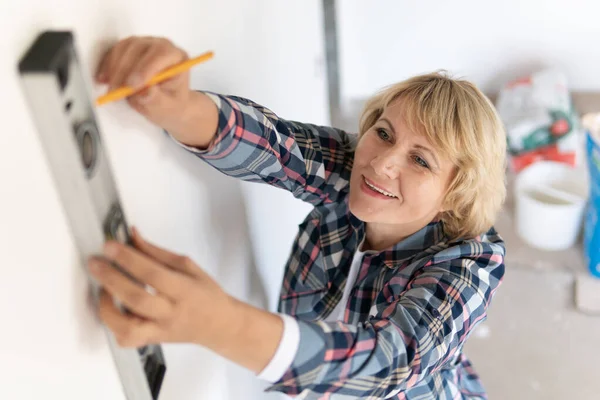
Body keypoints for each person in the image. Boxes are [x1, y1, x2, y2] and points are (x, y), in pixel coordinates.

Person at [89, 36, 507, 399]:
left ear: (457, 193)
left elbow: (390, 361)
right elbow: (276, 146)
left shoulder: (471, 264)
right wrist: (177, 105)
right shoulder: (351, 170)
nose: (381, 164)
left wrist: (219, 325)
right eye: (383, 133)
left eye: (419, 160)